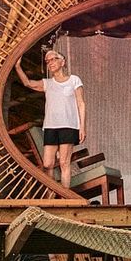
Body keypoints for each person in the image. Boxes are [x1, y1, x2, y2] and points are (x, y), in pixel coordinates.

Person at [15, 46, 86, 187]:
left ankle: (65, 198)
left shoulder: (74, 80)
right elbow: (27, 83)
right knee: (48, 164)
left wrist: (82, 127)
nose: (51, 62)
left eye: (53, 59)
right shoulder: (47, 83)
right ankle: (51, 194)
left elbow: (81, 103)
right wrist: (17, 67)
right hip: (51, 126)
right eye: (48, 61)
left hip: (69, 126)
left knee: (64, 162)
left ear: (62, 62)